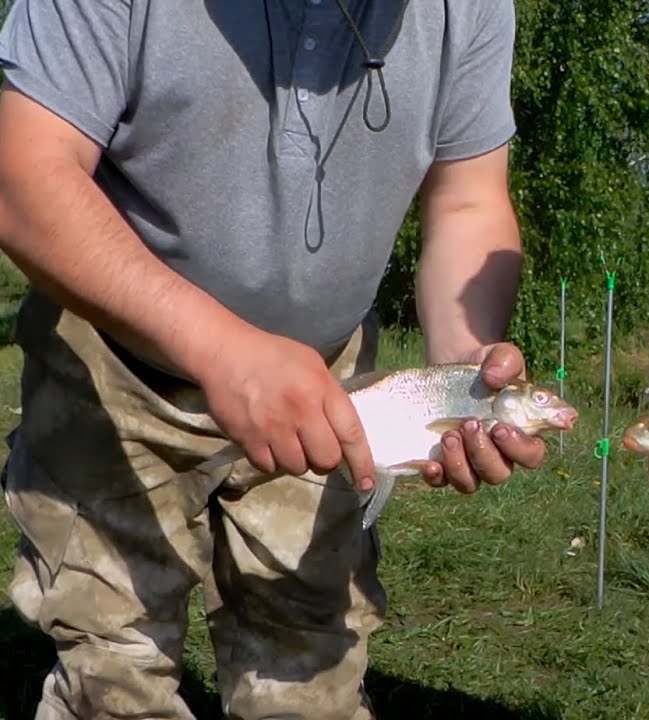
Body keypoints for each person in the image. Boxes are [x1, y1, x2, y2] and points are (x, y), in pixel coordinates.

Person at [0, 1, 541, 718]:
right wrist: (221, 349)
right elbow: (23, 173)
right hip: (112, 369)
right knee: (112, 679)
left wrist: (461, 379)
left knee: (307, 679)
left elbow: (467, 203)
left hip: (326, 391)